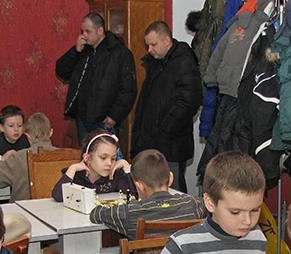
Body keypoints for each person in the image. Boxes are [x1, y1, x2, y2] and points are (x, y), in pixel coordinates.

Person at [136, 151, 279, 254]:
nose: (248, 221)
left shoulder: (257, 237)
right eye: (235, 212)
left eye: (255, 210)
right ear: (210, 203)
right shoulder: (183, 245)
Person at [132, 21, 202, 193]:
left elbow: (189, 102)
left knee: (173, 191)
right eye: (147, 45)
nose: (149, 50)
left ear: (167, 41)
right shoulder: (156, 63)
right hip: (152, 142)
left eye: (153, 44)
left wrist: (164, 130)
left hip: (172, 145)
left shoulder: (184, 62)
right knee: (151, 192)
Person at [56, 11, 137, 145]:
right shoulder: (84, 50)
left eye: (88, 31)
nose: (84, 35)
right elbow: (62, 71)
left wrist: (114, 116)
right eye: (82, 31)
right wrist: (75, 52)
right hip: (83, 119)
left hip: (104, 120)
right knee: (87, 155)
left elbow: (128, 90)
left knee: (105, 155)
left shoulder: (120, 54)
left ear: (100, 31)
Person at [90, 149, 206, 240]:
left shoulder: (130, 213)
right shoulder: (192, 204)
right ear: (170, 178)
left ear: (140, 185)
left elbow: (96, 214)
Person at [51, 130, 135, 202]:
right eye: (103, 157)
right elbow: (58, 197)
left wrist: (127, 168)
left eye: (113, 158)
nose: (109, 163)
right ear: (87, 158)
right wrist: (72, 168)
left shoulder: (114, 176)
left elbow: (134, 195)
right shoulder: (76, 177)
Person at [0, 112, 57, 202]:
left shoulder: (19, 157)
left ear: (27, 136)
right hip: (54, 207)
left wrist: (3, 159)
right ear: (51, 132)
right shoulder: (66, 155)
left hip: (22, 208)